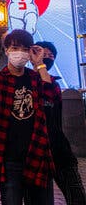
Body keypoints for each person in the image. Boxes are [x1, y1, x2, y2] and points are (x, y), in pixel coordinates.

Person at [0, 30, 57, 205]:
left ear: (30, 52)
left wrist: (40, 63)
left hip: (37, 153)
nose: (19, 52)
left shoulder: (35, 78)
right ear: (6, 50)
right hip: (9, 158)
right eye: (14, 48)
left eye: (24, 48)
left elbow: (50, 98)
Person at [34, 41, 86, 205]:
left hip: (59, 149)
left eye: (51, 56)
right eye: (44, 54)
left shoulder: (54, 85)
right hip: (35, 152)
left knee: (76, 196)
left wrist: (41, 66)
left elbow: (48, 96)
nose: (48, 58)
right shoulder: (26, 83)